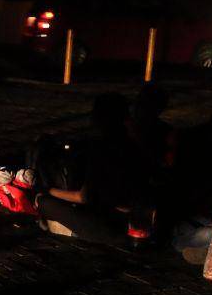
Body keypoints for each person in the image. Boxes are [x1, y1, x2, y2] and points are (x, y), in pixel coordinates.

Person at [36, 93, 148, 245]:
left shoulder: (102, 148)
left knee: (43, 202)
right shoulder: (133, 145)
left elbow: (84, 197)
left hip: (109, 225)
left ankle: (70, 232)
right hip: (130, 219)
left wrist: (47, 191)